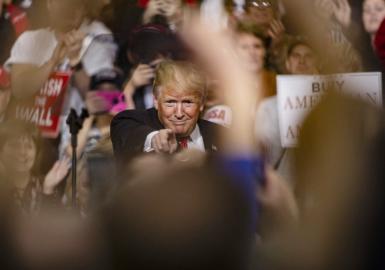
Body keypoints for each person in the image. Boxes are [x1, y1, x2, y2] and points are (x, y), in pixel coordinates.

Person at [111, 60, 223, 167]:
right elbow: (128, 134)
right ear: (155, 100)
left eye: (187, 102)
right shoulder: (128, 121)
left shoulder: (222, 136)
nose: (179, 114)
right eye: (170, 102)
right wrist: (155, 139)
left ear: (202, 103)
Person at [256, 39, 319, 184]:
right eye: (296, 56)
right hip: (286, 185)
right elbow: (265, 157)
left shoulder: (329, 107)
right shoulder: (268, 106)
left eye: (308, 56)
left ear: (317, 63)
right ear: (287, 64)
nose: (302, 61)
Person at [0, 121, 70, 213]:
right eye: (15, 145)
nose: (22, 152)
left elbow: (57, 225)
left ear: (37, 153)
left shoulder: (46, 184)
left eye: (28, 146)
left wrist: (47, 191)